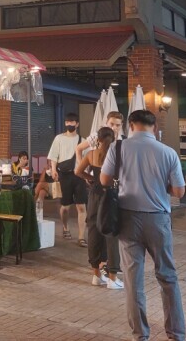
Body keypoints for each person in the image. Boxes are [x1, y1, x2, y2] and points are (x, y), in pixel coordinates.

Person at [100, 109, 186, 341]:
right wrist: (161, 186)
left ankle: (140, 335)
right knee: (167, 277)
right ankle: (176, 334)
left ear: (130, 125)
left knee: (133, 280)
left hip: (127, 219)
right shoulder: (168, 152)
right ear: (154, 127)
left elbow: (104, 180)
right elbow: (179, 191)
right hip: (158, 219)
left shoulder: (118, 148)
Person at [76, 126, 123, 290]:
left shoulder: (91, 154)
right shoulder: (117, 156)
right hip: (111, 197)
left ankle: (96, 275)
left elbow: (78, 171)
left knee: (94, 232)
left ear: (98, 139)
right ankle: (113, 277)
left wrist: (91, 179)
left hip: (94, 197)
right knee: (111, 235)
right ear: (113, 138)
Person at [47, 113, 87, 245]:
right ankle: (65, 227)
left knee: (81, 206)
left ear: (77, 124)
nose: (70, 124)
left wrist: (86, 175)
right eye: (68, 122)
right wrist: (53, 170)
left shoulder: (83, 140)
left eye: (72, 122)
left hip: (79, 176)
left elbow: (87, 160)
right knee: (65, 207)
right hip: (64, 175)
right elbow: (53, 156)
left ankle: (81, 237)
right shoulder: (59, 138)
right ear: (65, 123)